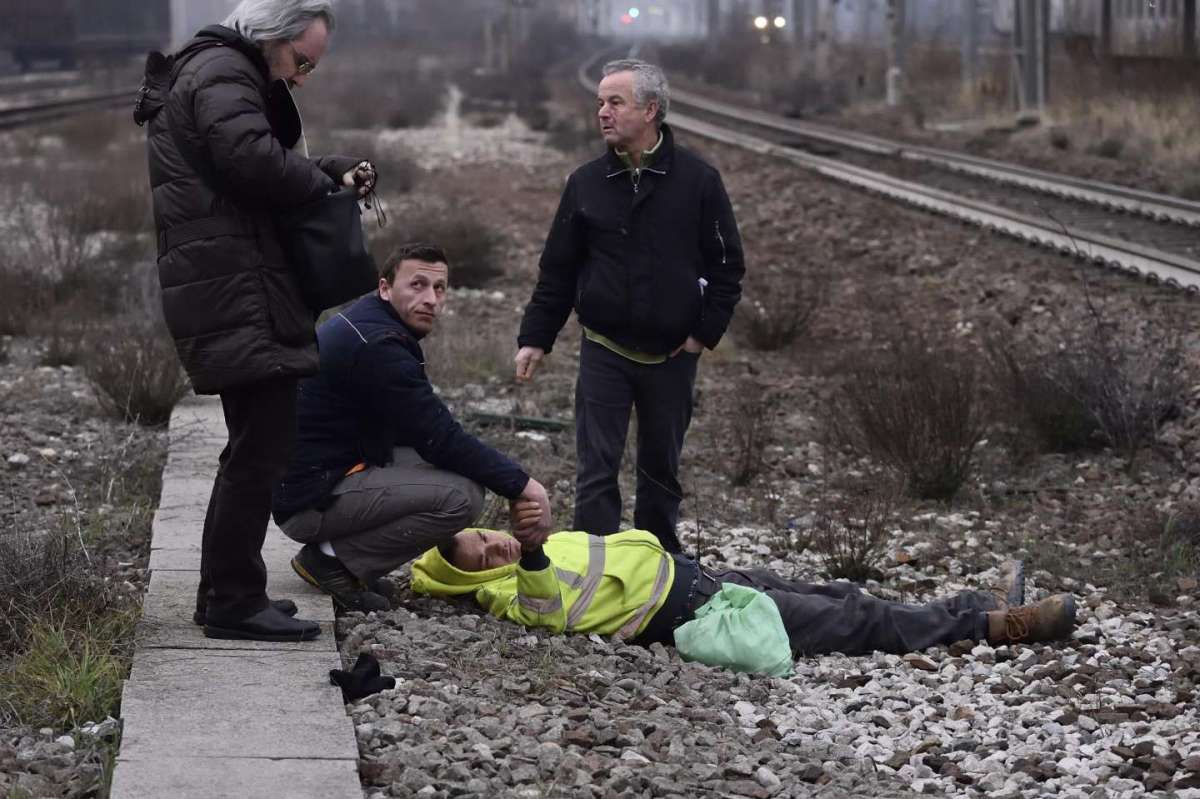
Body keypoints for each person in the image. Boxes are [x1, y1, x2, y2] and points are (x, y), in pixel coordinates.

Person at [139, 0, 377, 642]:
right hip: (235, 286)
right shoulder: (223, 71)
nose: (301, 77)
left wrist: (325, 170)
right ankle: (235, 601)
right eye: (301, 62)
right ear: (270, 38)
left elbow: (250, 158)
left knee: (254, 444)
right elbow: (251, 160)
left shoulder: (221, 70)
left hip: (230, 281)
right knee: (261, 448)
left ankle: (224, 591)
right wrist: (322, 184)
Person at [515, 59, 745, 554]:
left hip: (672, 354)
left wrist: (702, 334)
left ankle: (656, 561)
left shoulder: (698, 181)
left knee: (661, 467)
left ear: (651, 110)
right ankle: (594, 563)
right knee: (596, 466)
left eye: (615, 102)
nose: (602, 112)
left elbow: (728, 266)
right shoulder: (587, 182)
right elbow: (558, 269)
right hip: (604, 347)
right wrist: (536, 337)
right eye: (600, 102)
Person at [272, 243, 553, 612]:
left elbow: (425, 432)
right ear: (385, 288)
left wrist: (506, 477)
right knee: (462, 496)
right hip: (307, 501)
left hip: (313, 477)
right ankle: (331, 561)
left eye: (439, 289)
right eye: (417, 285)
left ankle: (346, 558)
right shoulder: (380, 347)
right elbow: (439, 437)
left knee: (454, 468)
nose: (431, 299)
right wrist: (525, 486)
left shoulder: (372, 323)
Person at [411, 519, 1078, 662]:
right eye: (482, 556)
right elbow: (543, 609)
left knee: (842, 592)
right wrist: (524, 555)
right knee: (856, 621)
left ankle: (973, 608)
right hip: (698, 611)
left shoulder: (524, 543)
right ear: (475, 576)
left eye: (487, 536)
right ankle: (1001, 625)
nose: (494, 545)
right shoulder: (508, 588)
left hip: (702, 575)